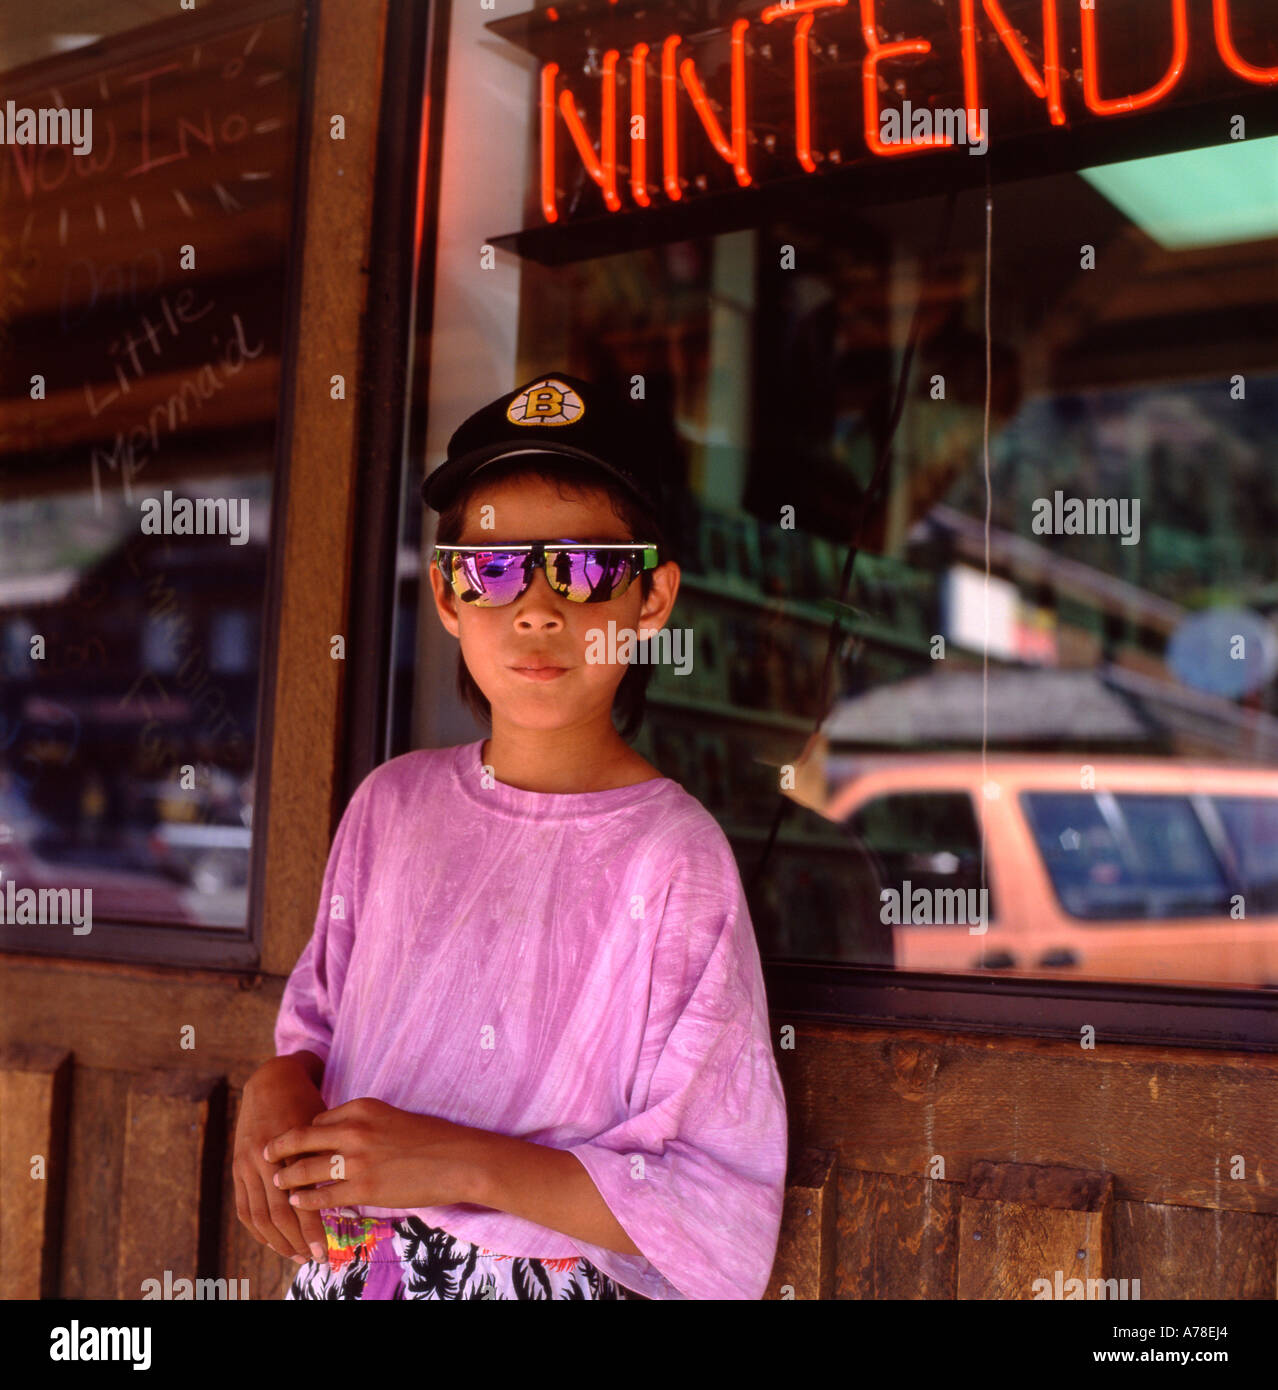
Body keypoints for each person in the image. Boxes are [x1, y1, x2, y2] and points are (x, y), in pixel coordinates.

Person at [232, 371, 789, 1300]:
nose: (536, 607)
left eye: (583, 568)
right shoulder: (392, 807)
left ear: (650, 602)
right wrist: (277, 1084)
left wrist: (461, 1165)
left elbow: (716, 1205)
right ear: (449, 600)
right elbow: (316, 1031)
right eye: (491, 568)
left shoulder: (673, 860)